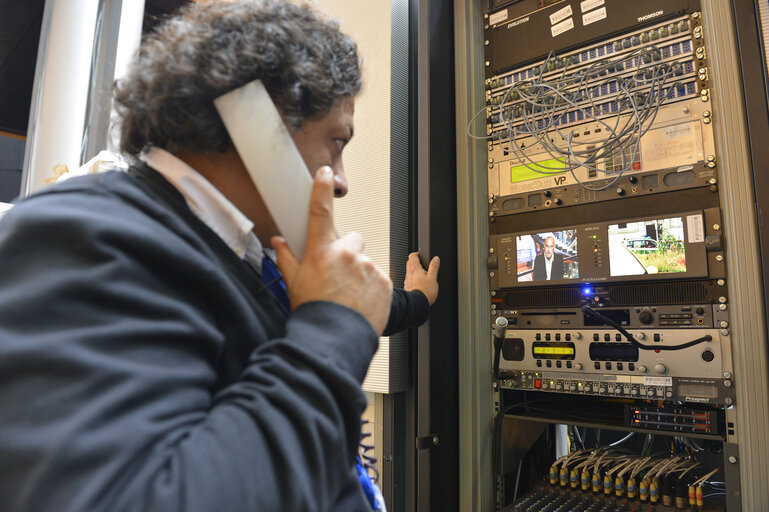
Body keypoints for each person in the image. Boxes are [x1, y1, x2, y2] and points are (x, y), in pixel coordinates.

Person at [0, 2, 439, 511]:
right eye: (336, 143)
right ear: (255, 120)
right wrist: (334, 328)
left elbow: (345, 303)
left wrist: (414, 302)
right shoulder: (83, 236)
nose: (341, 181)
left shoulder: (240, 252)